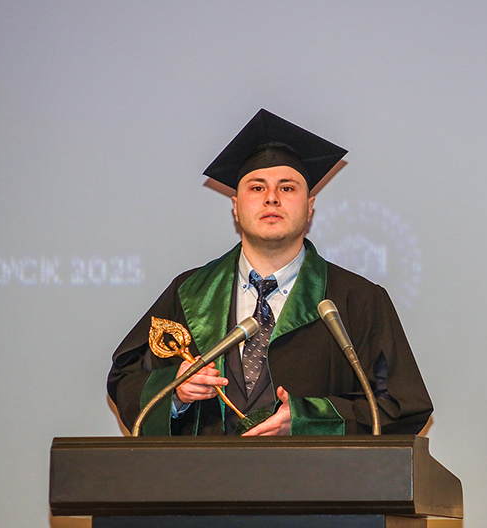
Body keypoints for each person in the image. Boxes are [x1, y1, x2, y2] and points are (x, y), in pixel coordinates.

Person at [107, 109, 432, 436]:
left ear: (310, 206)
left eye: (287, 188)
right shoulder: (191, 291)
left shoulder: (356, 299)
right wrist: (175, 392)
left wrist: (309, 421)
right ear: (235, 206)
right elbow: (127, 379)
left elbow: (401, 406)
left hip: (314, 470)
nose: (272, 199)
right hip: (205, 468)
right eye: (257, 188)